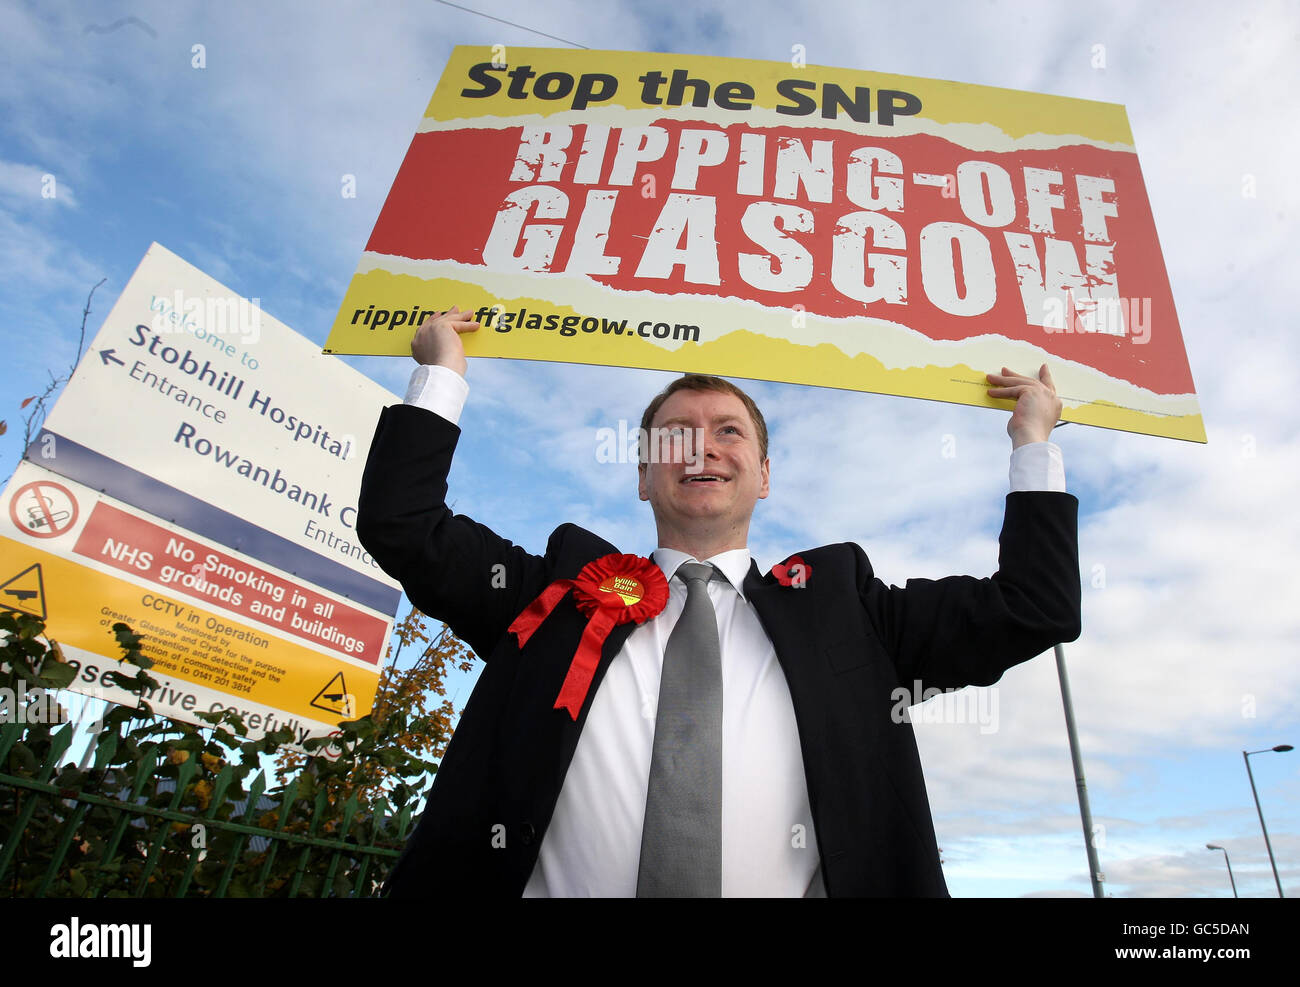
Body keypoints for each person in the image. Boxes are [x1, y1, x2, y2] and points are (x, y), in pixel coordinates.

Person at [356, 305, 1081, 897]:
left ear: (763, 475)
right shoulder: (556, 589)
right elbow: (404, 524)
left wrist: (1032, 439)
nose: (701, 448)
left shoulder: (852, 611)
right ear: (643, 476)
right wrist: (441, 370)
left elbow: (1033, 604)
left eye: (727, 431)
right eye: (675, 435)